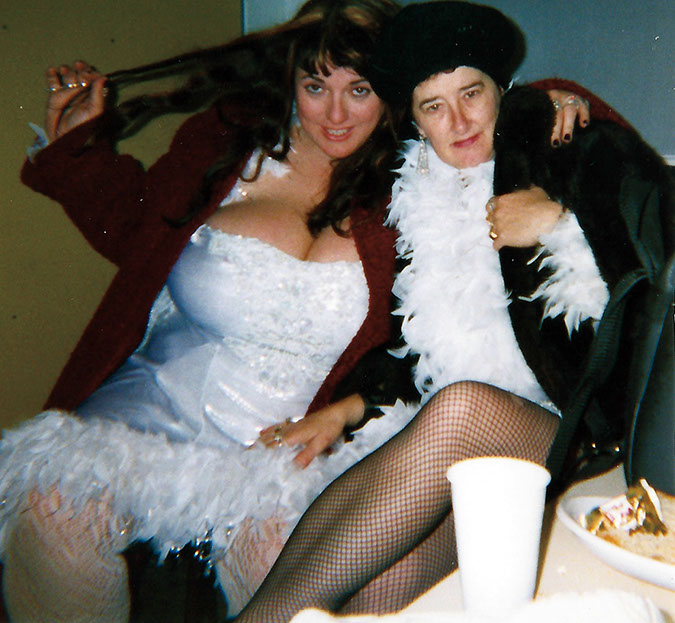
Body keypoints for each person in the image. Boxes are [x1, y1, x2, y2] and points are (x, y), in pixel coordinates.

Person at [233, 2, 673, 621]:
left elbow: (659, 258)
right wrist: (347, 408)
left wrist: (560, 224)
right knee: (373, 594)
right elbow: (418, 350)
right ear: (413, 119)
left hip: (578, 434)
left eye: (472, 94)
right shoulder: (413, 195)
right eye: (433, 106)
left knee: (460, 404)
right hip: (468, 444)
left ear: (502, 90)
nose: (459, 122)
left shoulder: (572, 147)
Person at [0, 1, 412, 620]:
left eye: (359, 90)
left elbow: (423, 341)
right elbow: (141, 232)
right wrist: (78, 146)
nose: (334, 114)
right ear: (290, 78)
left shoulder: (417, 189)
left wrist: (554, 107)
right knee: (54, 511)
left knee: (284, 566)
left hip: (301, 439)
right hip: (159, 403)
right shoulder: (228, 142)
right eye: (315, 86)